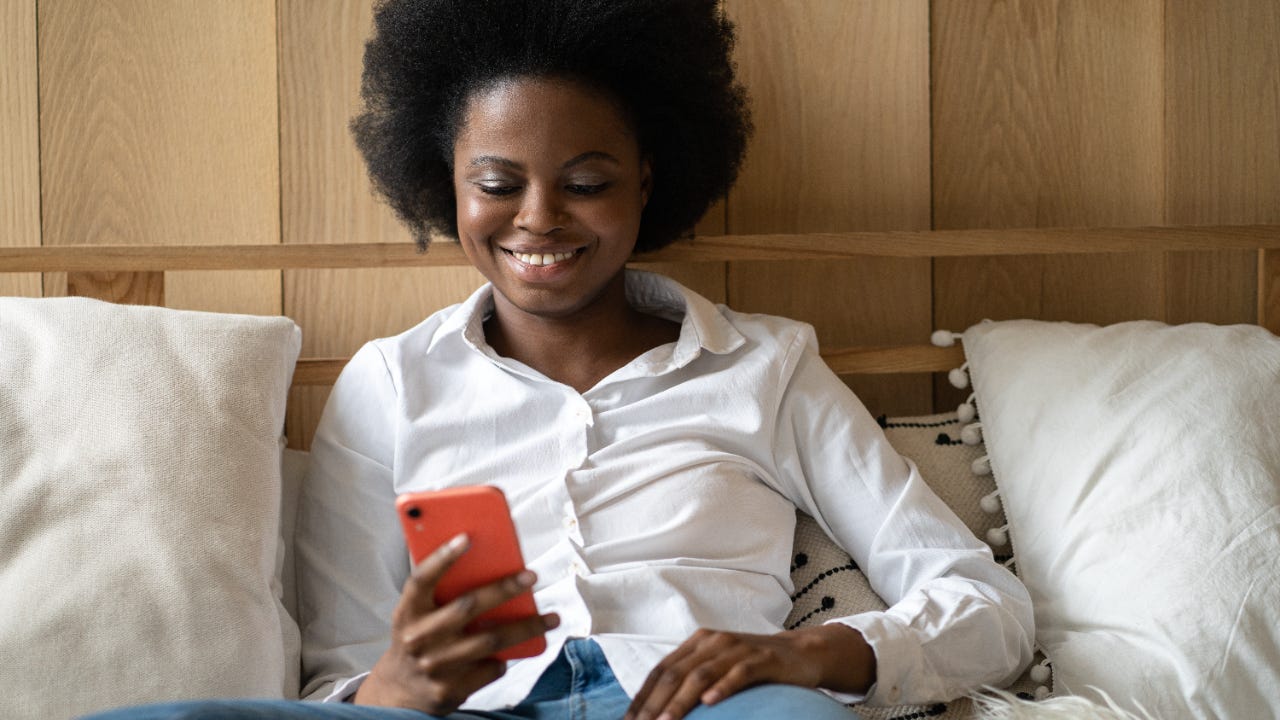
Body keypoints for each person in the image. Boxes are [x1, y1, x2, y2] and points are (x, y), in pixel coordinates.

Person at [84, 1, 1033, 718]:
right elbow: (342, 677)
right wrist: (398, 681)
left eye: (585, 183)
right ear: (444, 185)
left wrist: (811, 653)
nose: (539, 218)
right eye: (497, 184)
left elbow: (988, 606)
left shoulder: (768, 366)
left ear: (648, 181)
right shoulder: (387, 385)